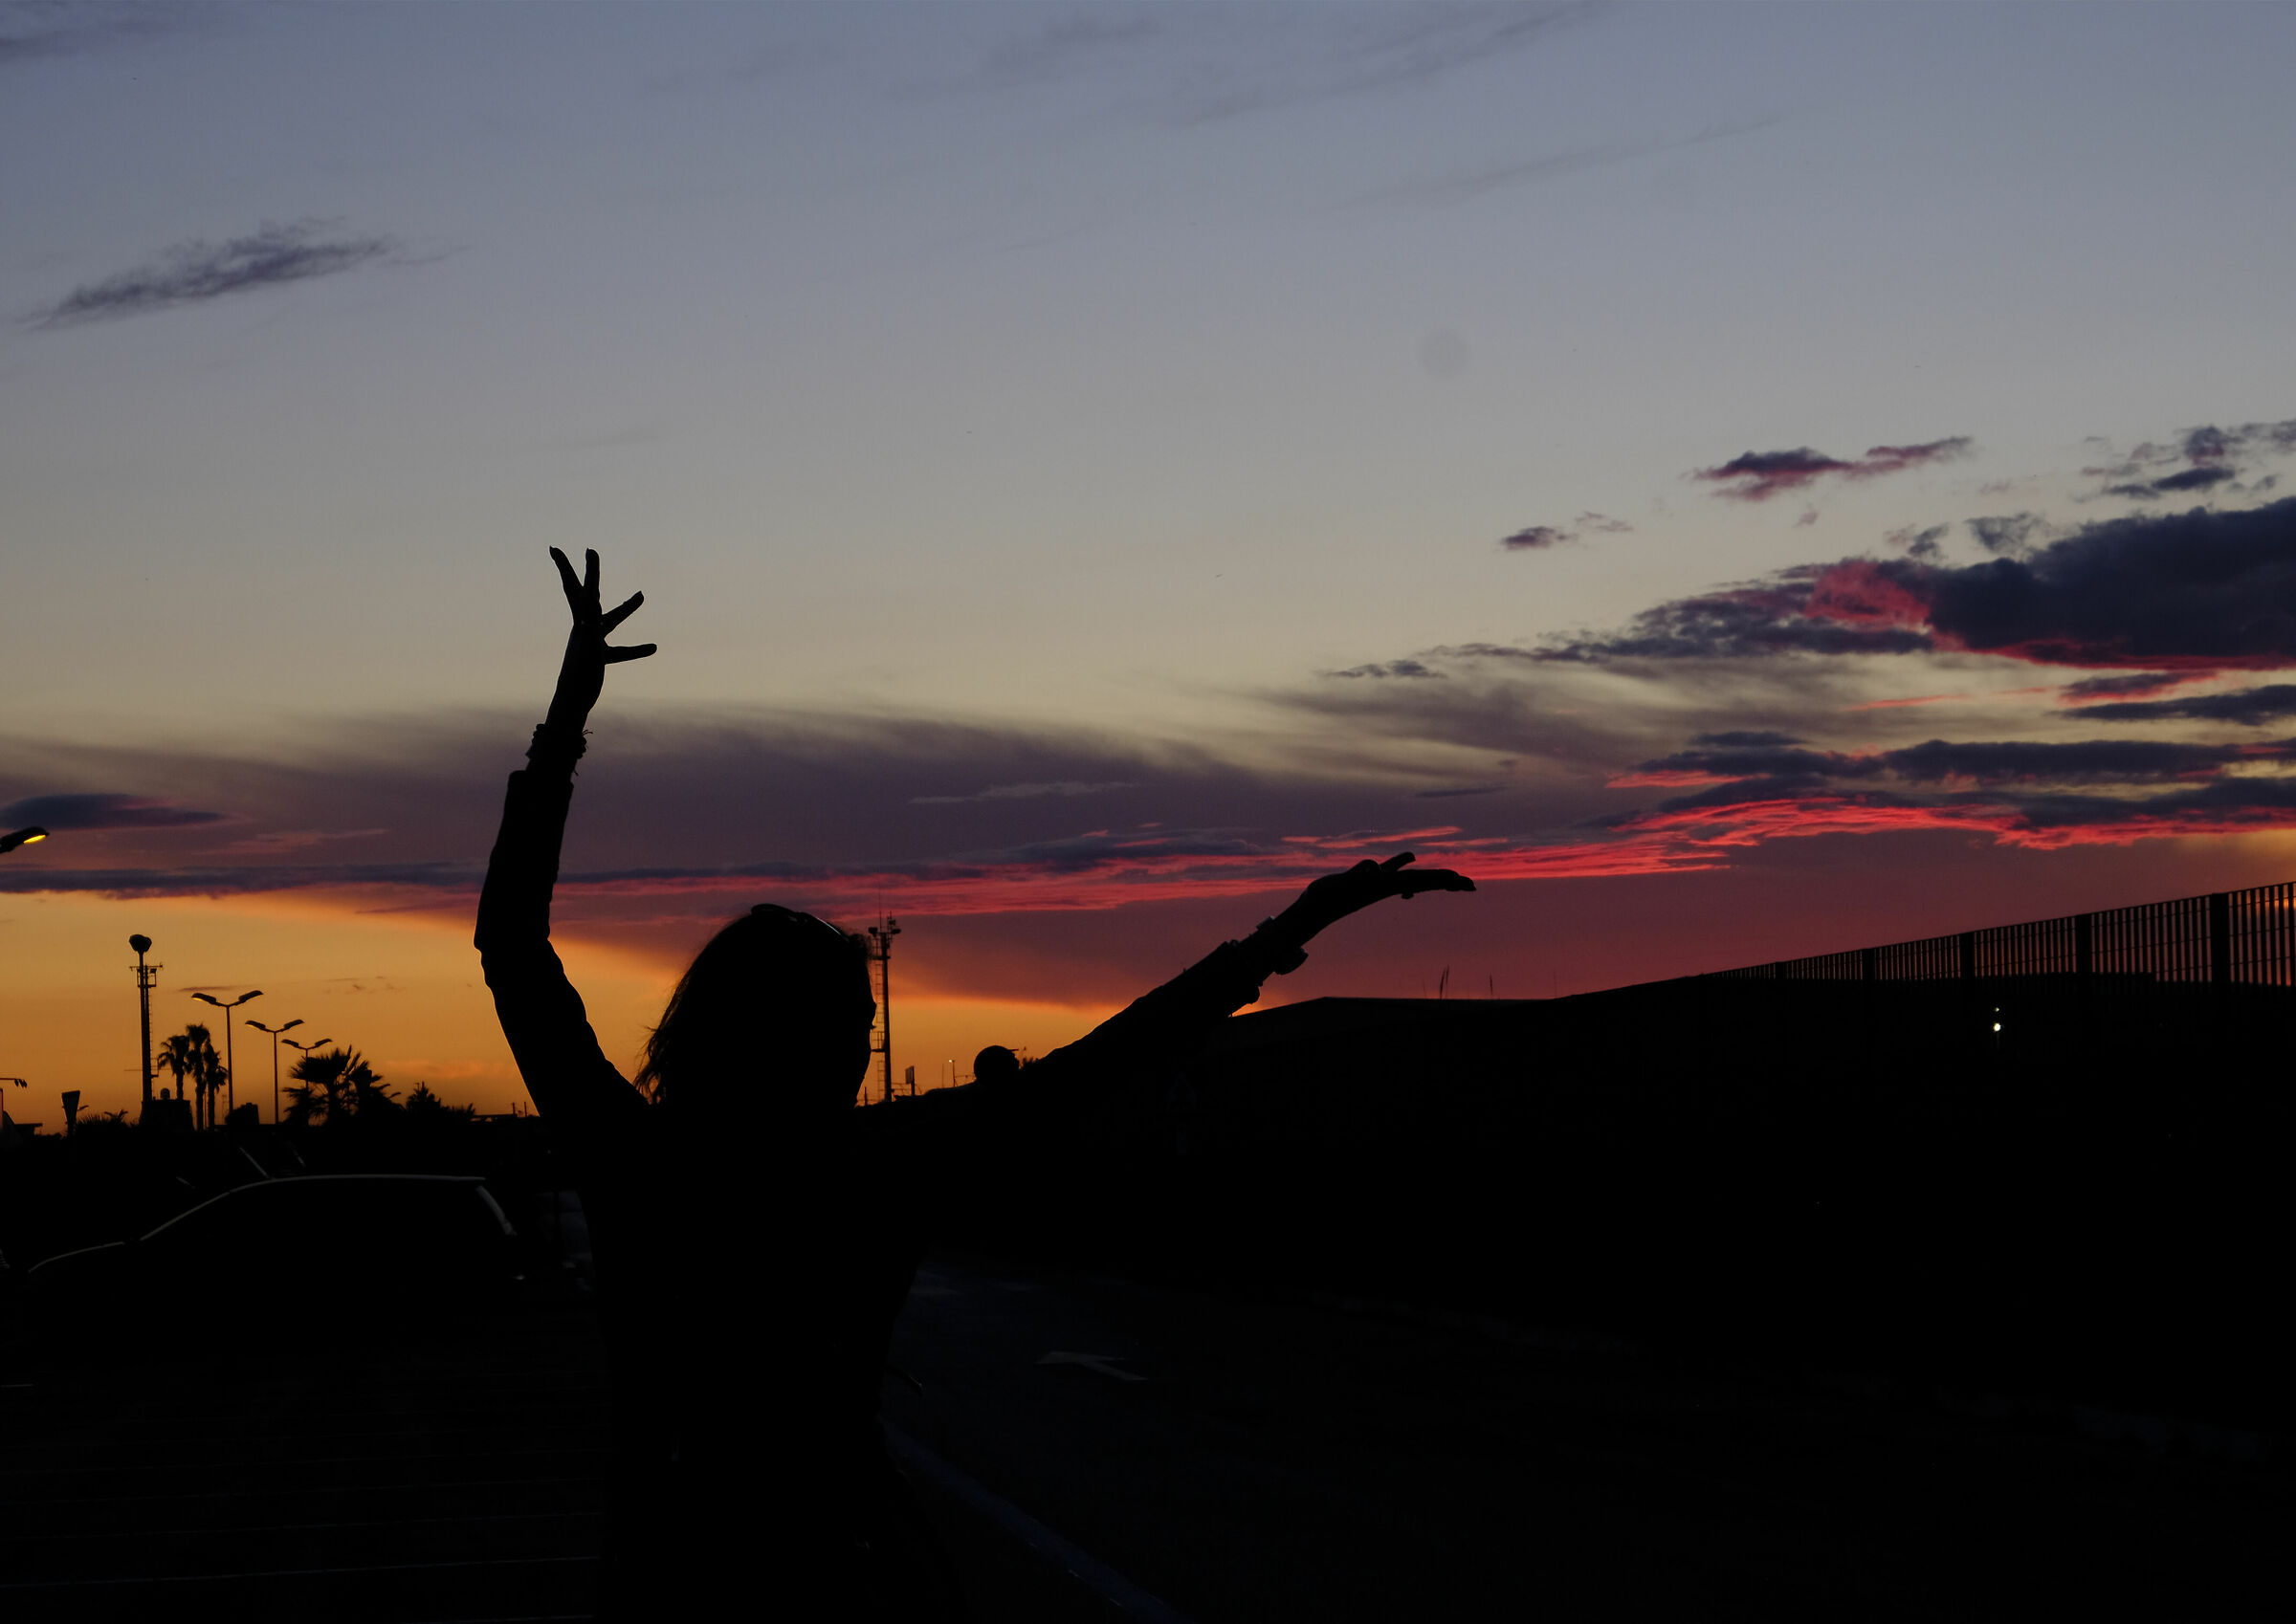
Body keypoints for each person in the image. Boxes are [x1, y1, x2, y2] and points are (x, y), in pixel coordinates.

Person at [476, 549, 1474, 1619]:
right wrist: (1283, 936)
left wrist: (565, 729)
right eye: (848, 1029)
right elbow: (1108, 1061)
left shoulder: (642, 1167)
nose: (863, 1050)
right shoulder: (870, 1176)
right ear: (791, 1041)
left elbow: (513, 949)